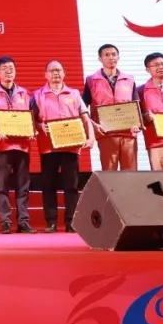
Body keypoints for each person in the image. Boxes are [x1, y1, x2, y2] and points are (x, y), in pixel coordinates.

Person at [32, 60, 95, 233]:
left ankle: (71, 222)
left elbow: (85, 118)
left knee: (71, 186)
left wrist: (91, 137)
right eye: (52, 70)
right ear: (45, 74)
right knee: (48, 185)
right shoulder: (37, 95)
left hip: (71, 146)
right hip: (48, 148)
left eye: (59, 70)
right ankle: (51, 222)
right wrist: (39, 126)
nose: (56, 73)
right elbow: (30, 120)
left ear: (64, 73)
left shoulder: (74, 94)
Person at [0, 56, 35, 234]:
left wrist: (32, 129)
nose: (9, 71)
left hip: (22, 145)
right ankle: (5, 221)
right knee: (2, 186)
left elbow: (31, 116)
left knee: (23, 186)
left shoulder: (25, 93)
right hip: (2, 146)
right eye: (4, 68)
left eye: (11, 67)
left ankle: (23, 222)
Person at [83, 44, 140, 170]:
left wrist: (136, 122)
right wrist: (93, 125)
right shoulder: (91, 80)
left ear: (118, 57)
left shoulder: (129, 79)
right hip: (106, 134)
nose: (111, 57)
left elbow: (136, 105)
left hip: (128, 133)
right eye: (107, 55)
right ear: (100, 59)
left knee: (131, 173)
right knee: (109, 173)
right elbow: (83, 108)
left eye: (114, 54)